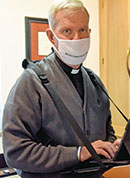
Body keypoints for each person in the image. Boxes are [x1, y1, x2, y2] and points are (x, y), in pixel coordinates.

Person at [2, 0, 120, 177]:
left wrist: (112, 146)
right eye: (67, 31)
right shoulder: (31, 82)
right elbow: (16, 151)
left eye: (82, 30)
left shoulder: (94, 81)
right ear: (51, 36)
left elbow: (107, 132)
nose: (77, 39)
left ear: (89, 32)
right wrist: (78, 153)